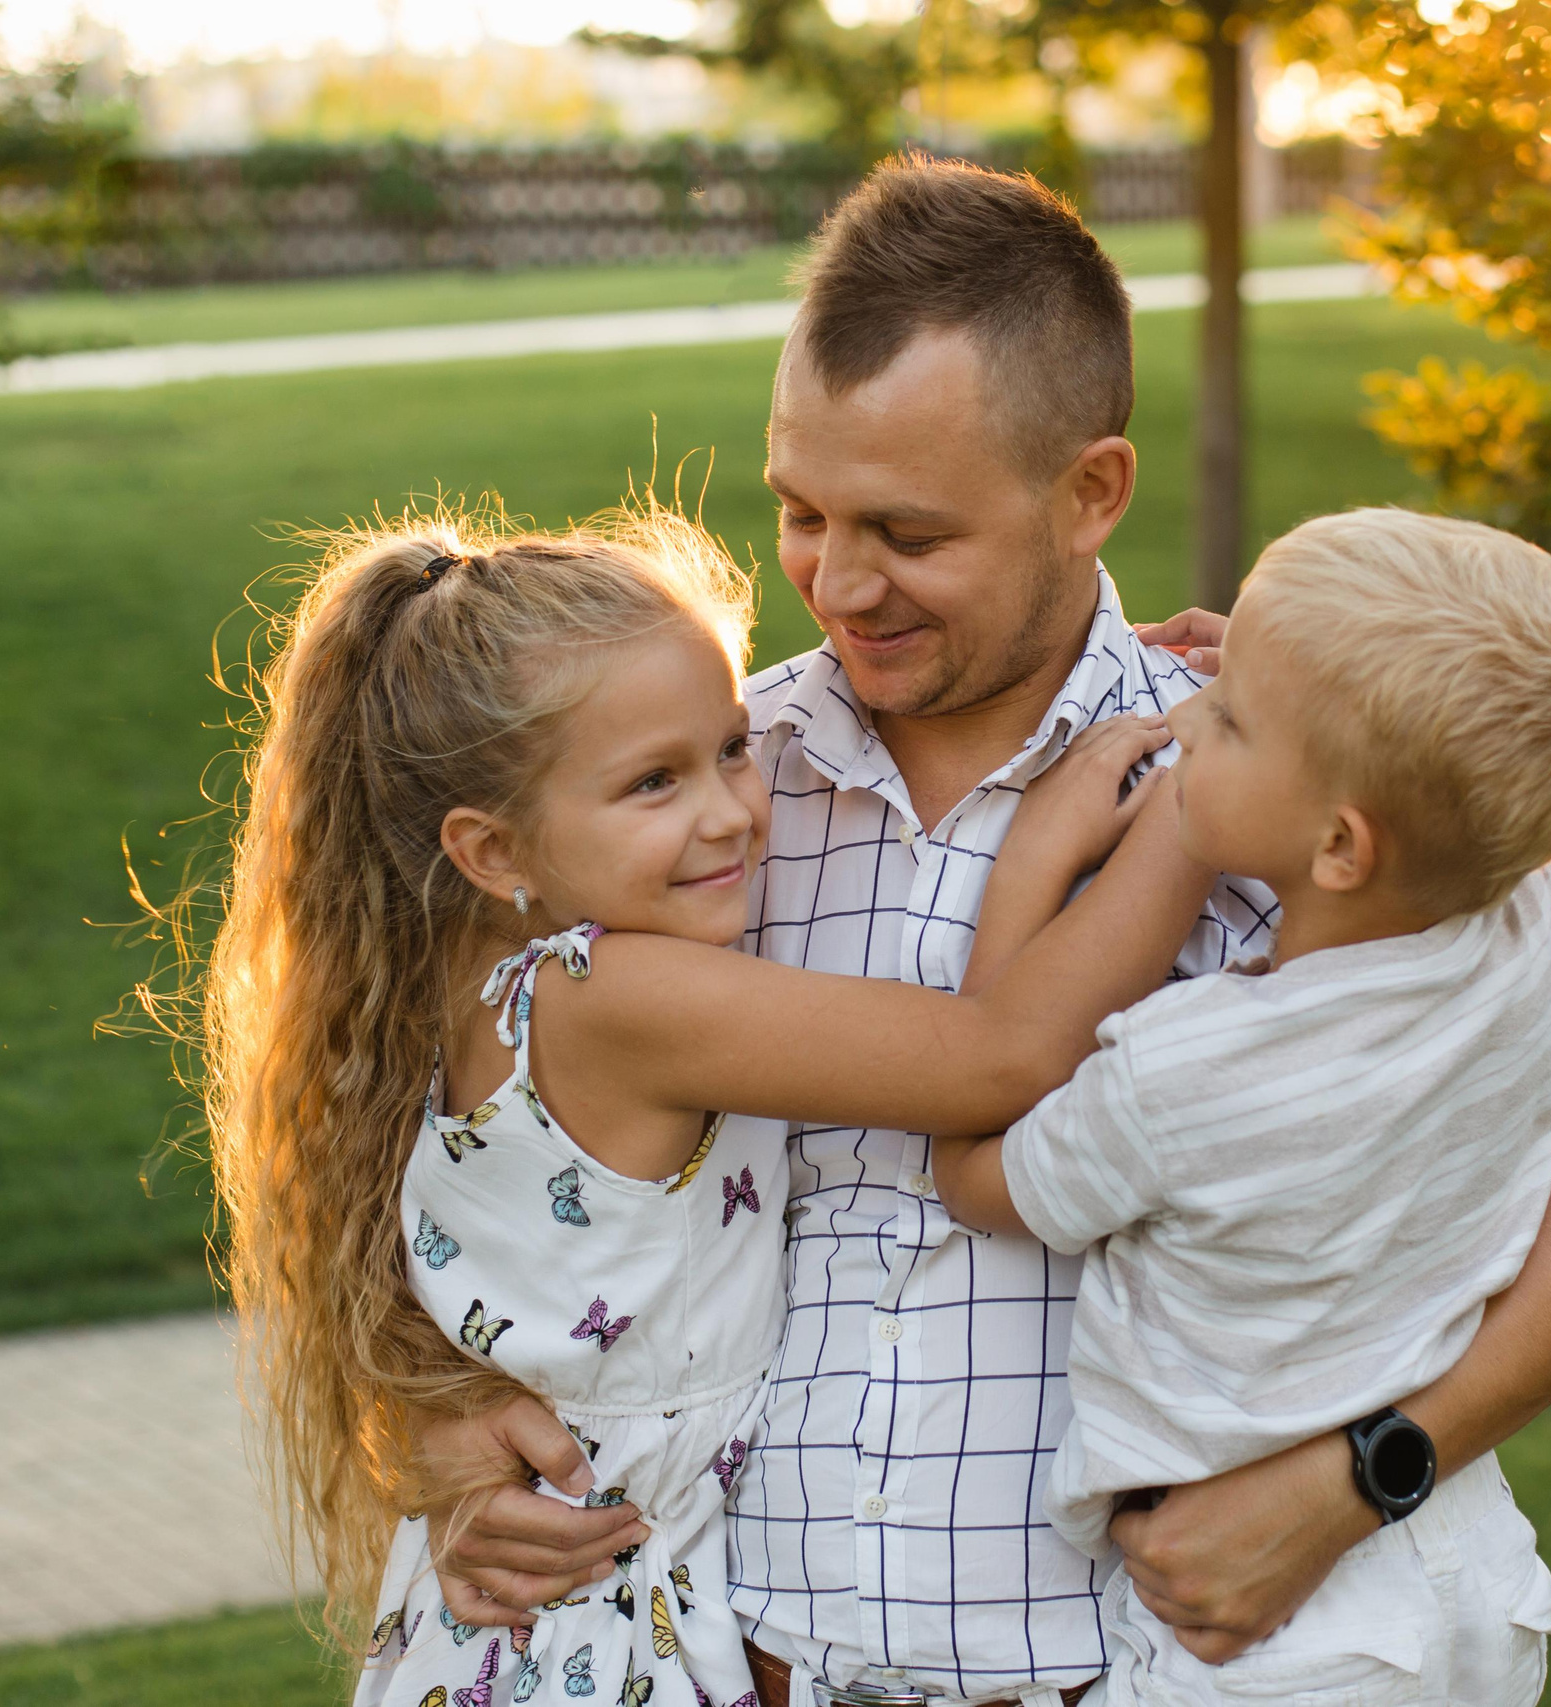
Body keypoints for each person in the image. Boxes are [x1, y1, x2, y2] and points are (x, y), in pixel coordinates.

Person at [419, 157, 1551, 1706]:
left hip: (1129, 1669)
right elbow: (487, 1161)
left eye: (909, 531)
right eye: (802, 512)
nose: (840, 582)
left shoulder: (1276, 788)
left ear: (1091, 491)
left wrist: (1363, 1476)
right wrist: (421, 1414)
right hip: (757, 1667)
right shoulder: (698, 803)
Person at [196, 503, 1218, 1707]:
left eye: (731, 747)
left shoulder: (449, 990)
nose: (730, 812)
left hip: (511, 1629)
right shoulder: (617, 996)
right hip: (611, 1632)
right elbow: (998, 1058)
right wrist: (1180, 805)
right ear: (491, 848)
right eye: (651, 784)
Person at [932, 509, 1551, 1705]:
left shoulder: (1185, 1075)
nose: (1189, 710)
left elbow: (975, 1164)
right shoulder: (1519, 930)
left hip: (1265, 1636)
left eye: (1232, 717)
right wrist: (1293, 698)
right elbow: (1500, 835)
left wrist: (1034, 865)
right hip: (1468, 1574)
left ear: (1342, 844)